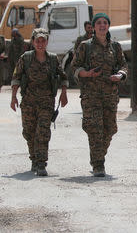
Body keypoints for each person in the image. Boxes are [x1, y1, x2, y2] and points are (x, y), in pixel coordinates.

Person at [71, 13, 127, 177]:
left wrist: (120, 75)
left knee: (110, 129)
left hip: (110, 96)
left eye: (105, 23)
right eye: (99, 23)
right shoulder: (85, 46)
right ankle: (98, 164)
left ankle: (98, 156)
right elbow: (74, 67)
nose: (102, 26)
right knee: (95, 129)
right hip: (91, 96)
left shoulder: (115, 47)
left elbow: (123, 65)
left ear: (108, 26)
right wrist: (86, 74)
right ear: (94, 27)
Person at [10, 28, 68, 176]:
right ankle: (34, 159)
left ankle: (41, 163)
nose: (40, 43)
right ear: (33, 42)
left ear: (47, 42)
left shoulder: (53, 59)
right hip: (28, 102)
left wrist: (64, 94)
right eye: (38, 40)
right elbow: (16, 77)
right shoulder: (26, 58)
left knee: (42, 131)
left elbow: (63, 76)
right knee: (29, 132)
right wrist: (13, 97)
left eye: (43, 40)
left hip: (46, 102)